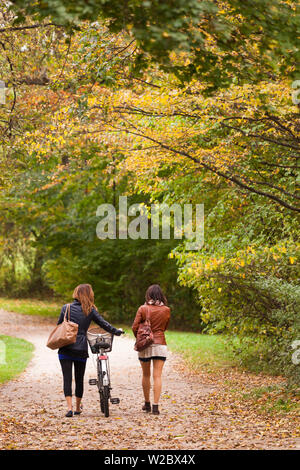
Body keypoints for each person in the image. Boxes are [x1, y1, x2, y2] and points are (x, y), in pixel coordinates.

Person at [57, 283, 123, 417]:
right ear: (89, 294)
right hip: (80, 348)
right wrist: (116, 331)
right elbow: (103, 324)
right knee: (79, 378)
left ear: (76, 293)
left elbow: (59, 325)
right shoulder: (90, 310)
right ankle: (77, 408)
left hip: (65, 347)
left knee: (67, 378)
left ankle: (69, 408)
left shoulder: (66, 308)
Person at [132, 284, 171, 415]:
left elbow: (134, 327)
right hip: (160, 344)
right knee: (157, 375)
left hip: (146, 346)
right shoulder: (166, 310)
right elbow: (165, 327)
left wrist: (141, 339)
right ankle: (156, 406)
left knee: (146, 375)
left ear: (148, 295)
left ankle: (147, 403)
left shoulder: (143, 308)